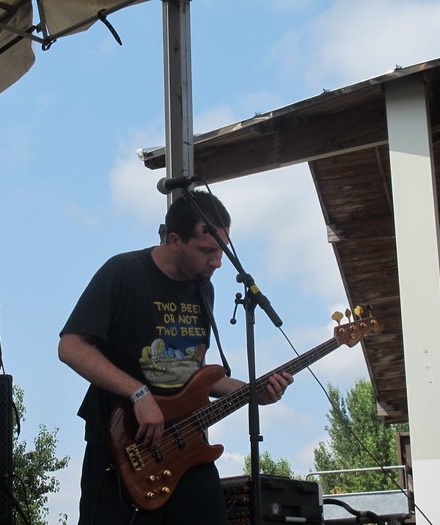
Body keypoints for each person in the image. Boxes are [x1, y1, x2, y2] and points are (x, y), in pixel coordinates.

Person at [58, 190, 293, 525]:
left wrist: (254, 392)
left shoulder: (203, 288)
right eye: (207, 250)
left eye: (222, 250)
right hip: (123, 444)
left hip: (187, 450)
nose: (217, 261)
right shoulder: (124, 272)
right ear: (174, 241)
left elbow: (193, 374)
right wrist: (139, 394)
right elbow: (70, 346)